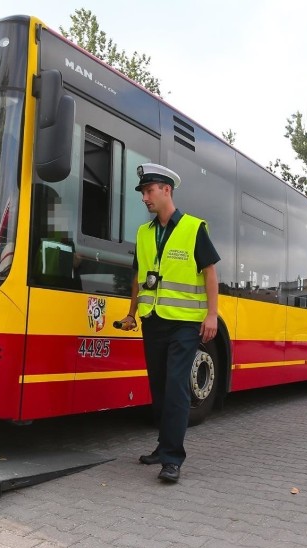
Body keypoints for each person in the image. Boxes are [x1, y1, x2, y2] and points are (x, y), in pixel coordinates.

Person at [117, 163, 220, 483]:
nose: (144, 198)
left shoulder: (193, 228)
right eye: (143, 193)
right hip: (153, 320)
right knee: (160, 387)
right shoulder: (143, 233)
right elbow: (137, 277)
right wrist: (132, 313)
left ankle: (173, 459)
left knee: (176, 387)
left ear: (166, 190)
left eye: (149, 191)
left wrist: (212, 314)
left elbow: (210, 273)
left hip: (185, 324)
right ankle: (163, 448)